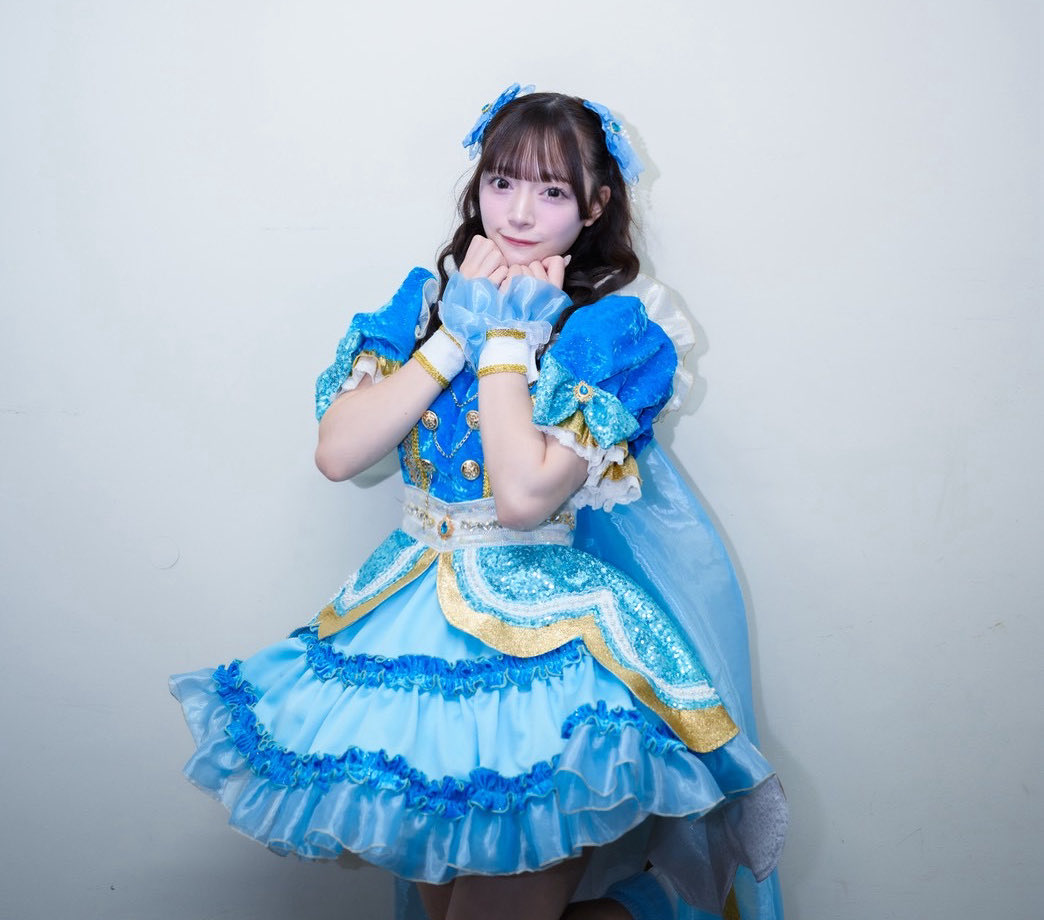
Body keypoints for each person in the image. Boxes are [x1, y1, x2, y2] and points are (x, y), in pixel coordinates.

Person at [170, 84, 787, 920]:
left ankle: (653, 907)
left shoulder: (613, 332)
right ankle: (650, 908)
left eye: (553, 190)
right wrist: (454, 334)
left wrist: (503, 339)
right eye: (502, 182)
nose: (519, 212)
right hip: (406, 627)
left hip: (546, 647)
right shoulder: (427, 302)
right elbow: (338, 452)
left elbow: (525, 495)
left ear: (596, 205)